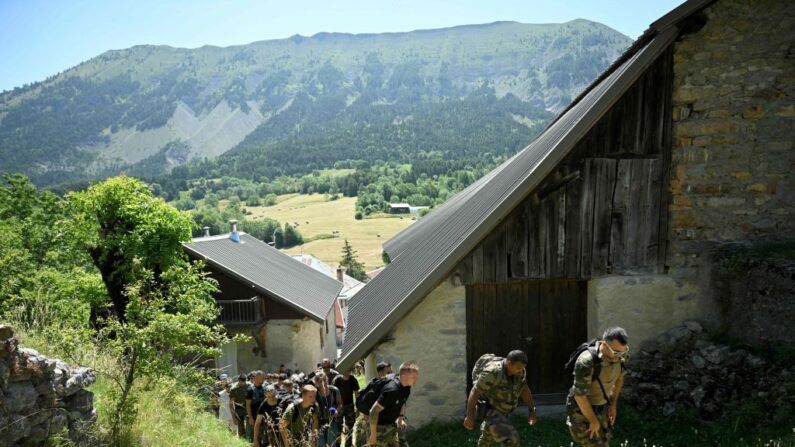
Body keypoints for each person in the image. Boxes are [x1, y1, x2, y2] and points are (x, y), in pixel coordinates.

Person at [567, 327, 630, 447]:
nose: (620, 356)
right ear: (604, 344)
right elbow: (580, 396)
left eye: (624, 351)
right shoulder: (586, 362)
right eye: (616, 352)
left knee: (604, 442)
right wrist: (593, 421)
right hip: (581, 410)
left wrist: (613, 404)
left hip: (602, 406)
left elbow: (619, 379)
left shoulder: (621, 356)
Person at [464, 350, 536, 447]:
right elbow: (475, 392)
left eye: (523, 368)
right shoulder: (492, 372)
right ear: (509, 363)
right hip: (490, 409)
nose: (521, 371)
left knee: (487, 437)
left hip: (503, 411)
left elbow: (524, 389)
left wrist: (532, 410)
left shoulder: (520, 371)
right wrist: (470, 416)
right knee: (511, 439)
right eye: (518, 368)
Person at [367, 361, 418, 447]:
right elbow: (373, 411)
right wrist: (373, 434)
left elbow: (402, 402)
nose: (416, 380)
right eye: (414, 377)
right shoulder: (392, 390)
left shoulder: (407, 387)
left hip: (391, 426)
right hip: (379, 428)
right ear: (404, 376)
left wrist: (400, 419)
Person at [314, 371, 344, 446]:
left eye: (324, 380)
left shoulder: (334, 390)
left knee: (332, 444)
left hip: (332, 421)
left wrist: (337, 411)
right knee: (321, 444)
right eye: (320, 381)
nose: (323, 383)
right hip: (319, 424)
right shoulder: (314, 393)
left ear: (327, 379)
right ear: (316, 383)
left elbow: (340, 403)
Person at [332, 369, 360, 447]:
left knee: (350, 428)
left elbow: (357, 394)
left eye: (349, 370)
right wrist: (334, 408)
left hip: (349, 406)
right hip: (339, 407)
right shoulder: (337, 379)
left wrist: (358, 408)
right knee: (338, 428)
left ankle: (348, 444)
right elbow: (333, 394)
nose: (347, 371)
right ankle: (337, 444)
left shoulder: (352, 379)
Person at [247, 371, 267, 440]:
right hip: (254, 416)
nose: (264, 379)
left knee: (263, 438)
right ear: (257, 378)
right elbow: (248, 405)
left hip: (262, 417)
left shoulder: (264, 388)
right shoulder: (250, 390)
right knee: (253, 437)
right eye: (262, 378)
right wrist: (250, 418)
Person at [231, 374, 251, 438]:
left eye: (243, 381)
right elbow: (231, 403)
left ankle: (249, 439)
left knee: (249, 426)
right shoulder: (234, 389)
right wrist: (233, 416)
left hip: (249, 409)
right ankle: (242, 440)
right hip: (239, 409)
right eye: (240, 381)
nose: (241, 383)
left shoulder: (250, 387)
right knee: (241, 427)